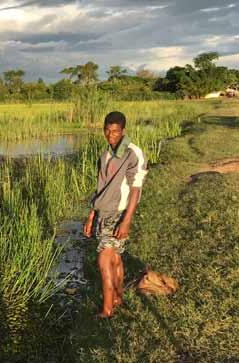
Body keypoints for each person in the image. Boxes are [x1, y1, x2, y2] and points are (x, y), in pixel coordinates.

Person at [83, 111, 148, 318]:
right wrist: (92, 216)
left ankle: (107, 310)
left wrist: (126, 221)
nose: (111, 135)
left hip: (118, 213)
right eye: (107, 131)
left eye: (116, 131)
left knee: (104, 261)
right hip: (104, 213)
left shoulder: (132, 153)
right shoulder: (106, 154)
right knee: (115, 258)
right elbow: (100, 188)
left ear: (123, 131)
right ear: (103, 129)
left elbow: (136, 188)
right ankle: (118, 298)